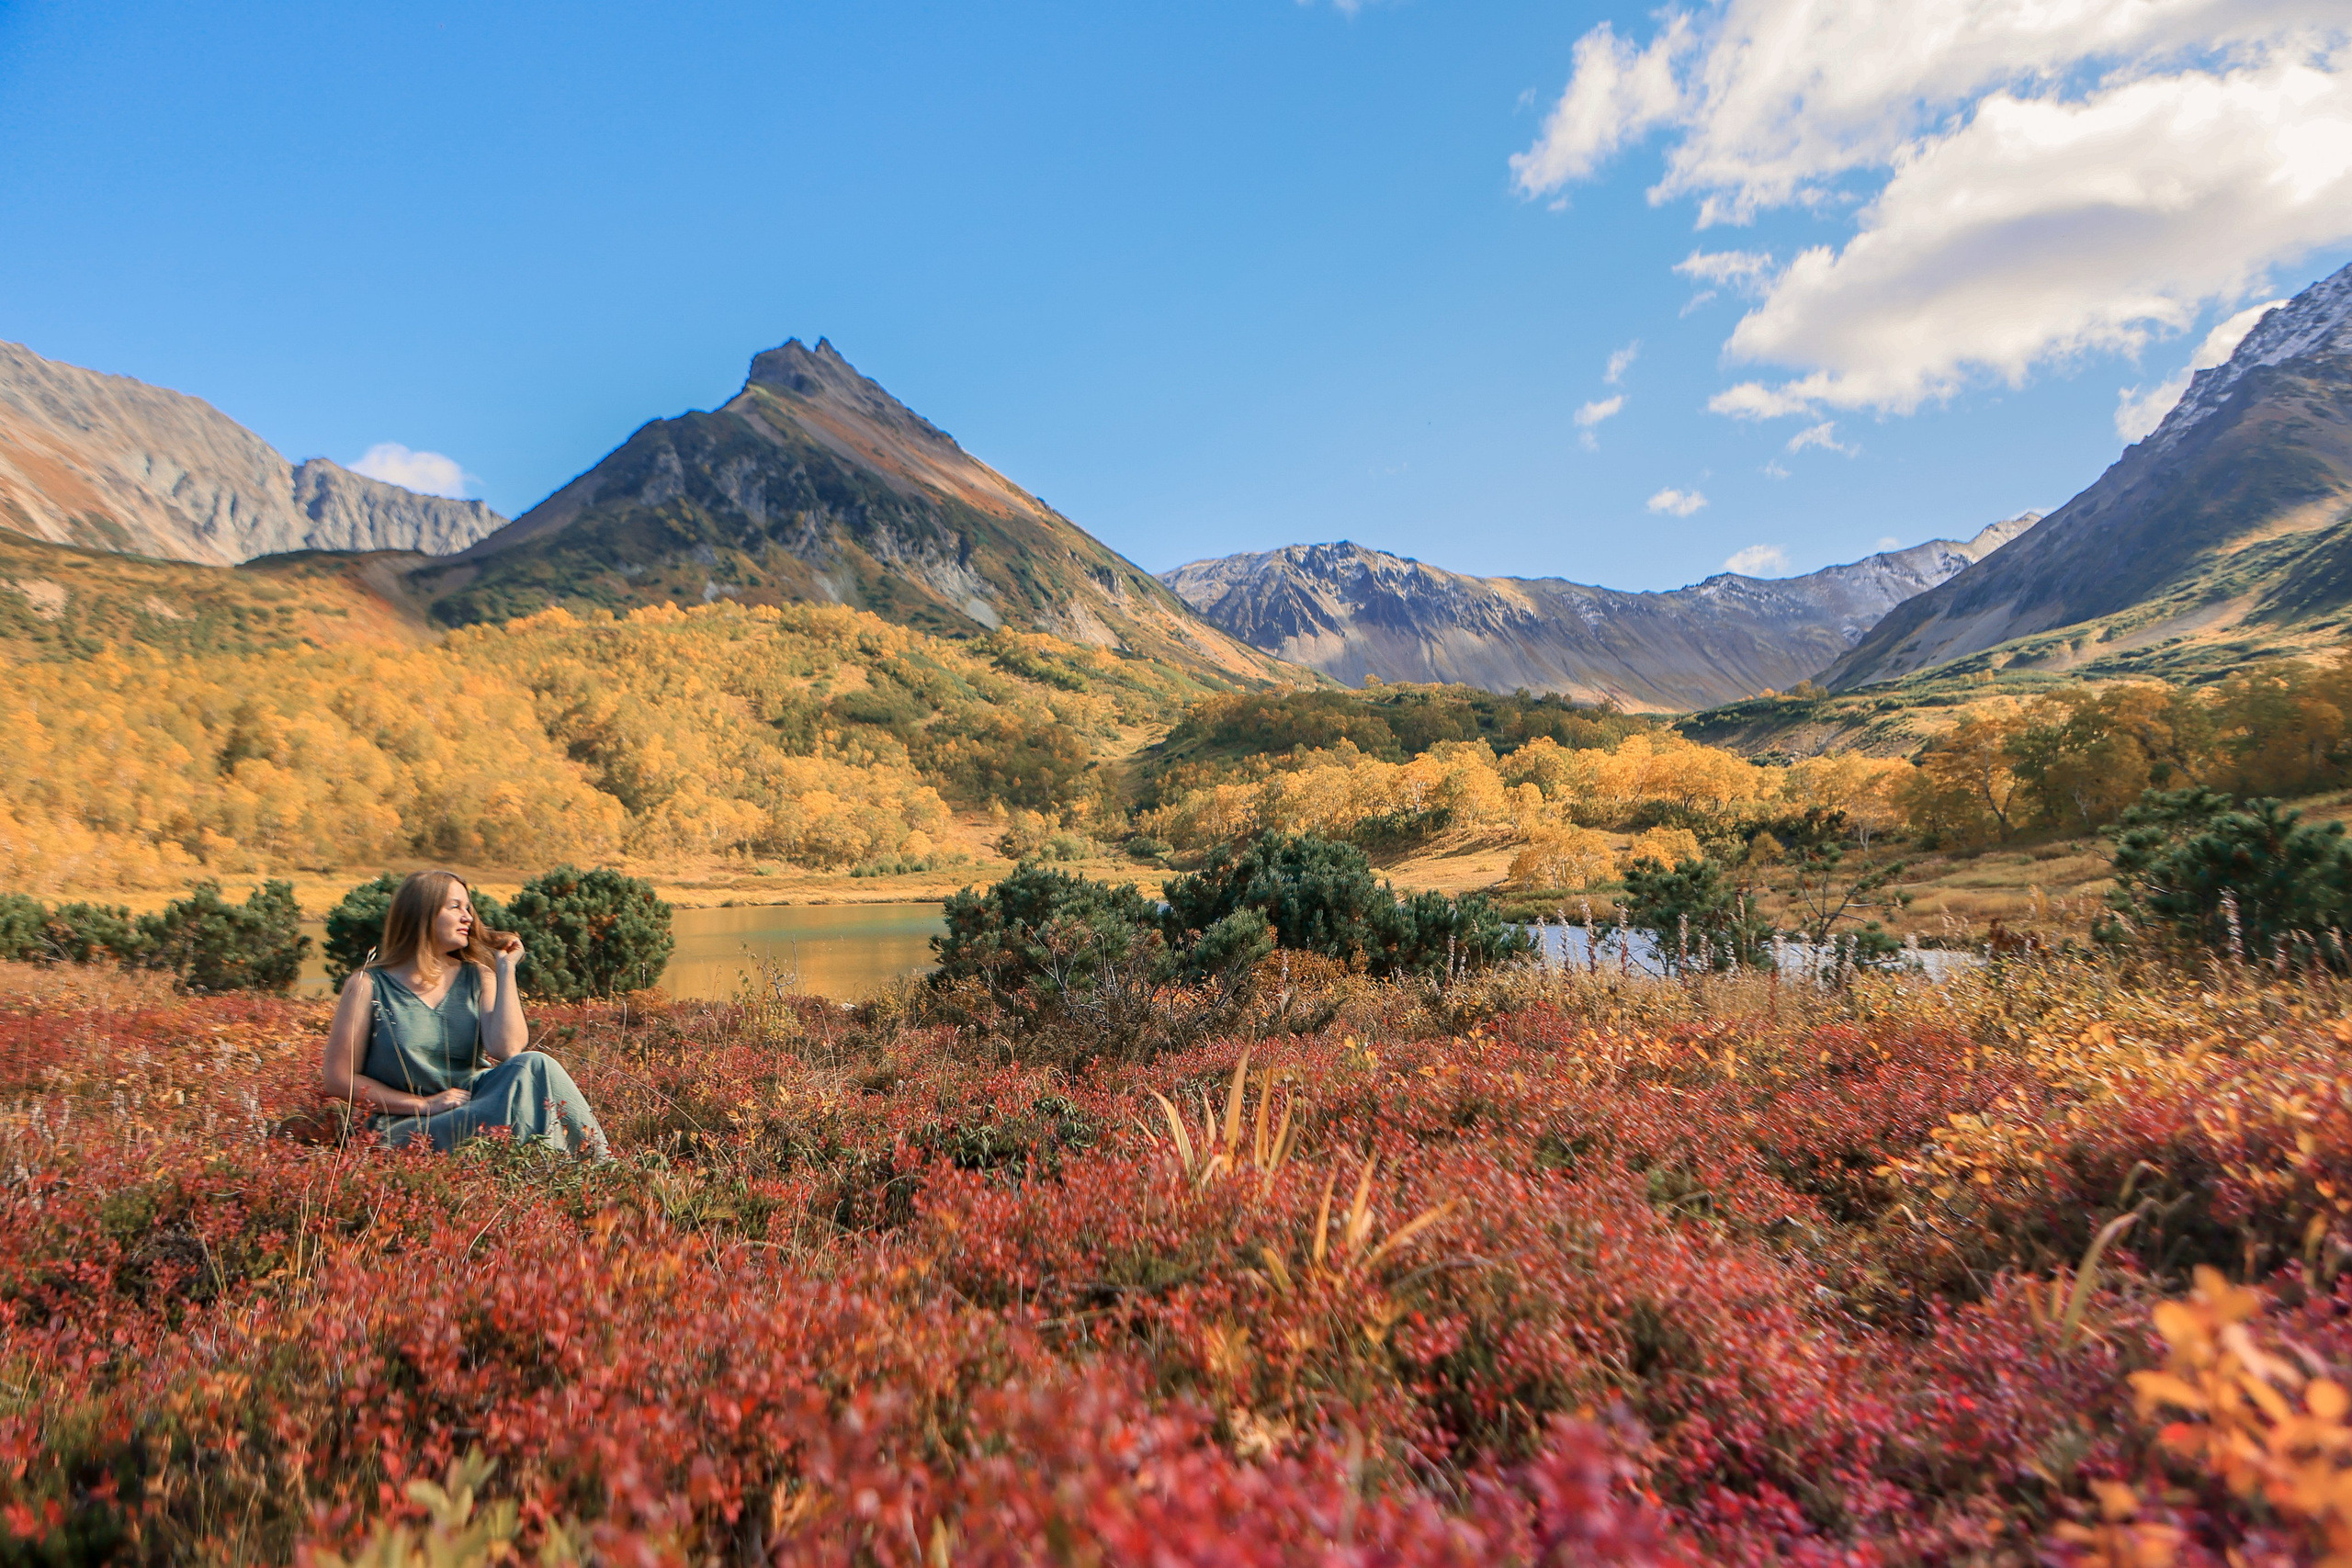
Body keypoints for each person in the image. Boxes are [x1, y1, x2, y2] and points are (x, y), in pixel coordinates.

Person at [322, 870, 608, 1157]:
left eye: (468, 908)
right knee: (507, 1112)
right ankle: (550, 1171)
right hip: (410, 1123)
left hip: (479, 1105)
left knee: (536, 1064)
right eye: (455, 907)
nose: (468, 917)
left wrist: (505, 969)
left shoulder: (478, 977)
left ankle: (602, 1167)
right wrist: (424, 1105)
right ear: (421, 914)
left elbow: (507, 1048)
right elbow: (338, 1078)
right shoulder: (367, 985)